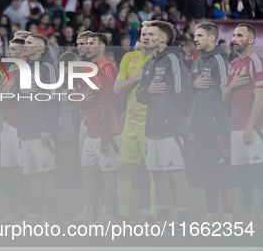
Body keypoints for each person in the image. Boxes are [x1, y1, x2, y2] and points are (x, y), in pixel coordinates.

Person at [136, 21, 194, 232]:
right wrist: (149, 90)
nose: (145, 37)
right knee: (157, 175)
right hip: (153, 128)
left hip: (171, 128)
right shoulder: (149, 63)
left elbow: (186, 95)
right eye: (143, 34)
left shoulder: (173, 59)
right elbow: (140, 96)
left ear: (163, 38)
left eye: (150, 34)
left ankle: (182, 221)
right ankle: (161, 220)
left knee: (177, 174)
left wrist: (174, 118)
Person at [6, 33, 60, 224]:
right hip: (26, 132)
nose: (25, 45)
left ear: (40, 47)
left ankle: (50, 215)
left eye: (29, 43)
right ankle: (36, 214)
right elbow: (11, 99)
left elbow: (54, 101)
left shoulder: (49, 68)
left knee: (47, 174)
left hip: (41, 131)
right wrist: (19, 90)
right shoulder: (23, 69)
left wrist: (47, 129)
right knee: (34, 176)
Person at [222, 24, 263, 229]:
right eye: (233, 35)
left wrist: (250, 127)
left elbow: (260, 99)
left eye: (240, 35)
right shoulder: (233, 64)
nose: (235, 38)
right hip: (235, 127)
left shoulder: (258, 63)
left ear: (251, 40)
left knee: (260, 171)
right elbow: (224, 97)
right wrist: (232, 86)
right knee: (241, 172)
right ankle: (249, 215)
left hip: (255, 128)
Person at [71, 33, 120, 225]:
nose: (86, 47)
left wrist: (106, 133)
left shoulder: (108, 68)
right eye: (84, 43)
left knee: (108, 172)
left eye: (91, 43)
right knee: (88, 172)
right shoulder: (84, 69)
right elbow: (76, 96)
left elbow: (113, 100)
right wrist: (84, 103)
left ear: (102, 47)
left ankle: (109, 214)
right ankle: (88, 213)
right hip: (89, 125)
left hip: (106, 127)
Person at [191, 23, 233, 223]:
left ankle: (228, 212)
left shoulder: (219, 59)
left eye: (200, 35)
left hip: (216, 125)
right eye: (195, 35)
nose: (195, 39)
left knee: (222, 170)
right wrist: (194, 84)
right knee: (205, 171)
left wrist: (224, 117)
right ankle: (211, 212)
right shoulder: (198, 62)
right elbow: (191, 91)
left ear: (211, 38)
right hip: (200, 126)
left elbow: (227, 90)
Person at [113, 28, 155, 223]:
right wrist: (135, 78)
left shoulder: (160, 61)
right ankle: (124, 215)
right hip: (131, 122)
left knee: (154, 172)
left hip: (150, 123)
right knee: (122, 168)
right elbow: (117, 89)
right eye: (141, 38)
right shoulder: (129, 59)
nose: (142, 42)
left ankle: (154, 215)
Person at [0, 38, 30, 224]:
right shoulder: (8, 75)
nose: (9, 52)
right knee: (9, 171)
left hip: (21, 127)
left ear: (23, 53)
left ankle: (28, 211)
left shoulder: (29, 73)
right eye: (9, 49)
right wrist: (5, 90)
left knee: (26, 171)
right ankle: (13, 213)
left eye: (14, 49)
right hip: (6, 126)